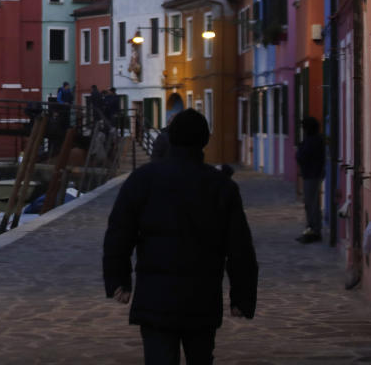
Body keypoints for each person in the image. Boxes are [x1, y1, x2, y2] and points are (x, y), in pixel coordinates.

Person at [103, 108, 258, 365]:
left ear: (171, 138)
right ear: (204, 140)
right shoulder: (222, 187)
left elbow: (119, 232)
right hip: (202, 297)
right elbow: (240, 247)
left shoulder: (142, 180)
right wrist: (242, 297)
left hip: (155, 298)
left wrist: (118, 279)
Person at [295, 116, 325, 243]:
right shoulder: (314, 140)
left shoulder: (312, 141)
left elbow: (302, 155)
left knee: (311, 204)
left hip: (312, 175)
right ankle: (312, 229)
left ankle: (314, 230)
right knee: (310, 203)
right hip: (310, 174)